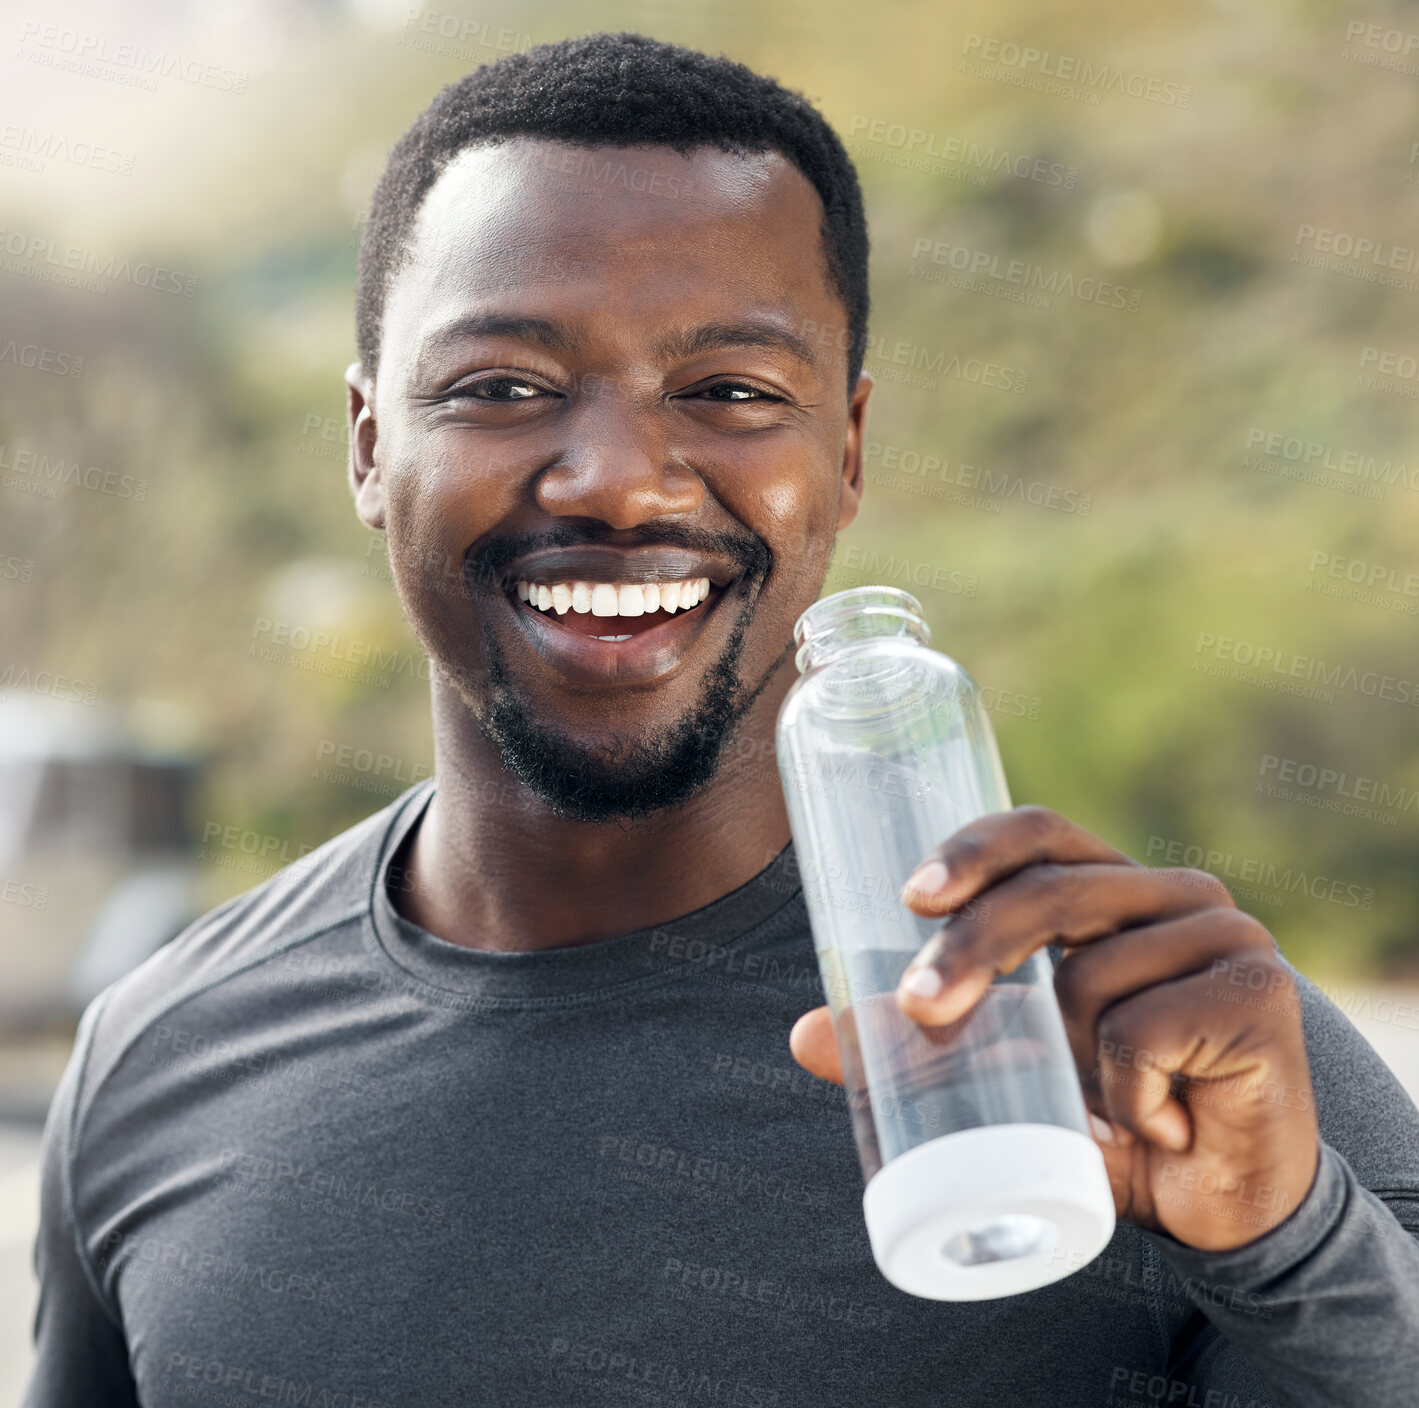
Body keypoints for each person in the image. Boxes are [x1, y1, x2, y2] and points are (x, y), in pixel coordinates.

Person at [24, 31, 1419, 1408]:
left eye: (732, 392)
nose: (620, 483)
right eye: (502, 386)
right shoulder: (161, 1055)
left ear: (850, 450)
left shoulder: (1144, 1060)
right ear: (372, 445)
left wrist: (1290, 1241)